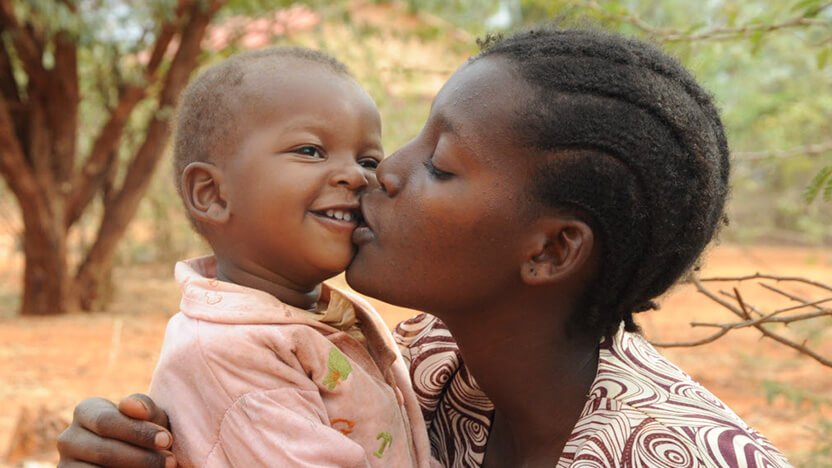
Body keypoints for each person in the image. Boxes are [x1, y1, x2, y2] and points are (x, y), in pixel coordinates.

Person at [57, 28, 792, 467]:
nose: (383, 173)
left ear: (551, 251)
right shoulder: (429, 365)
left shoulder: (680, 453)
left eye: (439, 164)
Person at [102, 46, 435, 468]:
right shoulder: (229, 355)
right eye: (311, 151)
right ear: (213, 194)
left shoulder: (315, 317)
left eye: (368, 159)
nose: (357, 175)